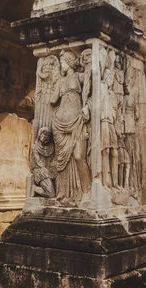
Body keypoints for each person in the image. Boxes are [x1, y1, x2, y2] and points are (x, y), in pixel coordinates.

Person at [51, 50, 91, 203]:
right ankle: (63, 193)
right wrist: (54, 80)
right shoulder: (61, 81)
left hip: (76, 121)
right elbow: (53, 100)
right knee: (61, 159)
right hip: (59, 123)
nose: (61, 65)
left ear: (70, 63)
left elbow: (90, 80)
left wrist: (88, 62)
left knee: (79, 156)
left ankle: (87, 190)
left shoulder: (79, 77)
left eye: (63, 62)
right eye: (61, 62)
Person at [32, 127, 57, 198]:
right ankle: (35, 189)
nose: (47, 137)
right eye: (45, 134)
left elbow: (53, 159)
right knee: (51, 194)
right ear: (40, 135)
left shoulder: (51, 147)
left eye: (49, 136)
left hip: (50, 170)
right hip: (40, 171)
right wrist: (47, 171)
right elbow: (38, 162)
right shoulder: (35, 147)